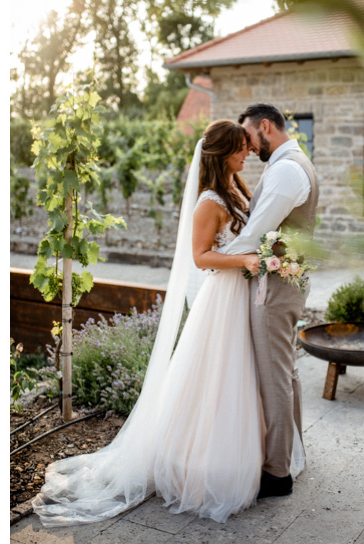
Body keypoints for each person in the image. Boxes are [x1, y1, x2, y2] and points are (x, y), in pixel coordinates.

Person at [32, 119, 305, 527]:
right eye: (240, 148)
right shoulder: (208, 200)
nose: (247, 152)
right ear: (221, 154)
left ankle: (242, 454)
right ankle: (200, 462)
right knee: (217, 374)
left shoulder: (236, 189)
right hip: (222, 297)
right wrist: (245, 260)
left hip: (241, 294)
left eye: (248, 147)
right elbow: (201, 258)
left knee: (241, 375)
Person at [219, 103, 319, 499]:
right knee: (286, 371)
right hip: (282, 283)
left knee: (274, 375)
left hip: (274, 289)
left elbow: (255, 233)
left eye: (248, 136)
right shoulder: (290, 164)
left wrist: (214, 262)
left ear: (265, 127)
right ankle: (291, 453)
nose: (248, 145)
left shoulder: (287, 169)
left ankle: (277, 472)